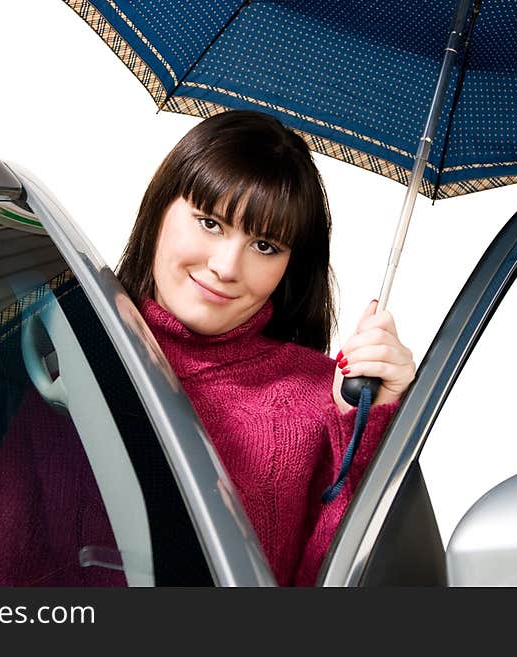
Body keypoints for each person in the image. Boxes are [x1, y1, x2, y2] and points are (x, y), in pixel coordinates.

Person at [117, 110, 415, 585]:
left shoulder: (326, 399)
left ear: (291, 265)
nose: (226, 266)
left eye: (265, 246)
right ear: (159, 210)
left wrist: (372, 425)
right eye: (209, 222)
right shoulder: (70, 341)